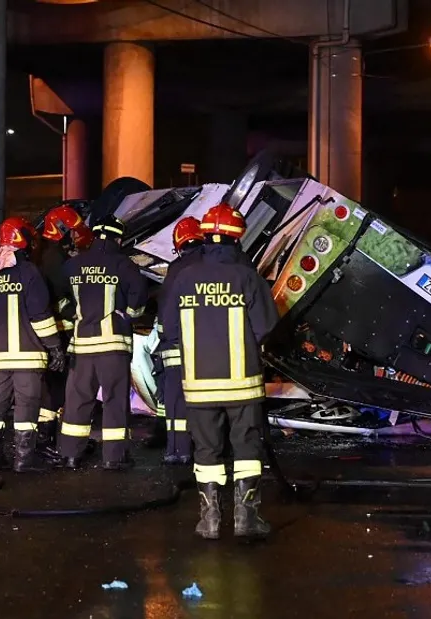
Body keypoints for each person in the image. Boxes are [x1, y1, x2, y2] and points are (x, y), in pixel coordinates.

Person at [160, 203, 279, 539]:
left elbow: (169, 329)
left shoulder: (183, 278)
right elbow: (266, 326)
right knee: (246, 448)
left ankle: (209, 521)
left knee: (206, 450)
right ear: (236, 240)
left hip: (199, 385)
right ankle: (246, 519)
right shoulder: (247, 277)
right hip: (243, 384)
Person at [0, 217, 67, 473]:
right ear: (23, 239)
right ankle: (24, 461)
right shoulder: (28, 272)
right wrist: (55, 346)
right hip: (27, 357)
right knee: (27, 405)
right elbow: (40, 315)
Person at [56, 216, 148, 470]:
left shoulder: (73, 265)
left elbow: (58, 298)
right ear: (118, 238)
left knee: (77, 400)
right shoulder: (123, 264)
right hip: (113, 347)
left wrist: (72, 313)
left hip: (82, 347)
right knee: (115, 400)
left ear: (95, 236)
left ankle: (71, 454)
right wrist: (128, 314)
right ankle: (114, 458)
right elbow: (138, 299)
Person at [35, 205, 92, 456]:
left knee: (56, 389)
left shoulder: (49, 254)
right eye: (72, 231)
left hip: (54, 333)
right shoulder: (55, 260)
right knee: (60, 389)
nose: (75, 236)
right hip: (59, 333)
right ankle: (51, 441)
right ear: (62, 231)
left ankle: (50, 438)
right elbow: (64, 295)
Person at [151, 216, 205, 464]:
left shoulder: (176, 270)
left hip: (177, 347)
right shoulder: (213, 264)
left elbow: (166, 309)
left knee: (175, 400)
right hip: (209, 347)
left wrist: (165, 338)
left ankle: (177, 450)